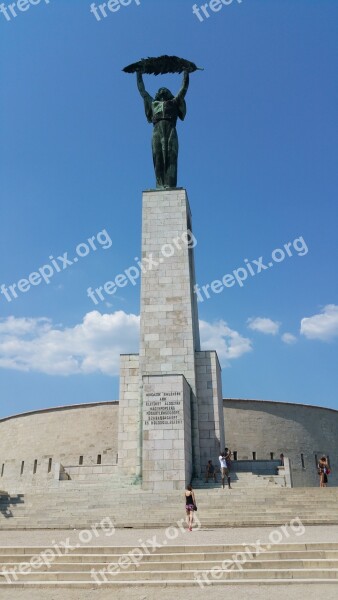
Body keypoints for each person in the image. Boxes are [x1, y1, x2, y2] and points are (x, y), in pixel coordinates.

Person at [136, 70, 189, 189]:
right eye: (160, 89)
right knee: (158, 156)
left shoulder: (174, 102)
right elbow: (142, 92)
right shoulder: (153, 103)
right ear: (157, 94)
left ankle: (170, 184)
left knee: (171, 156)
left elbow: (183, 89)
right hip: (157, 129)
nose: (162, 90)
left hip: (170, 128)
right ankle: (160, 184)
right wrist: (138, 73)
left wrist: (186, 72)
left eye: (165, 89)